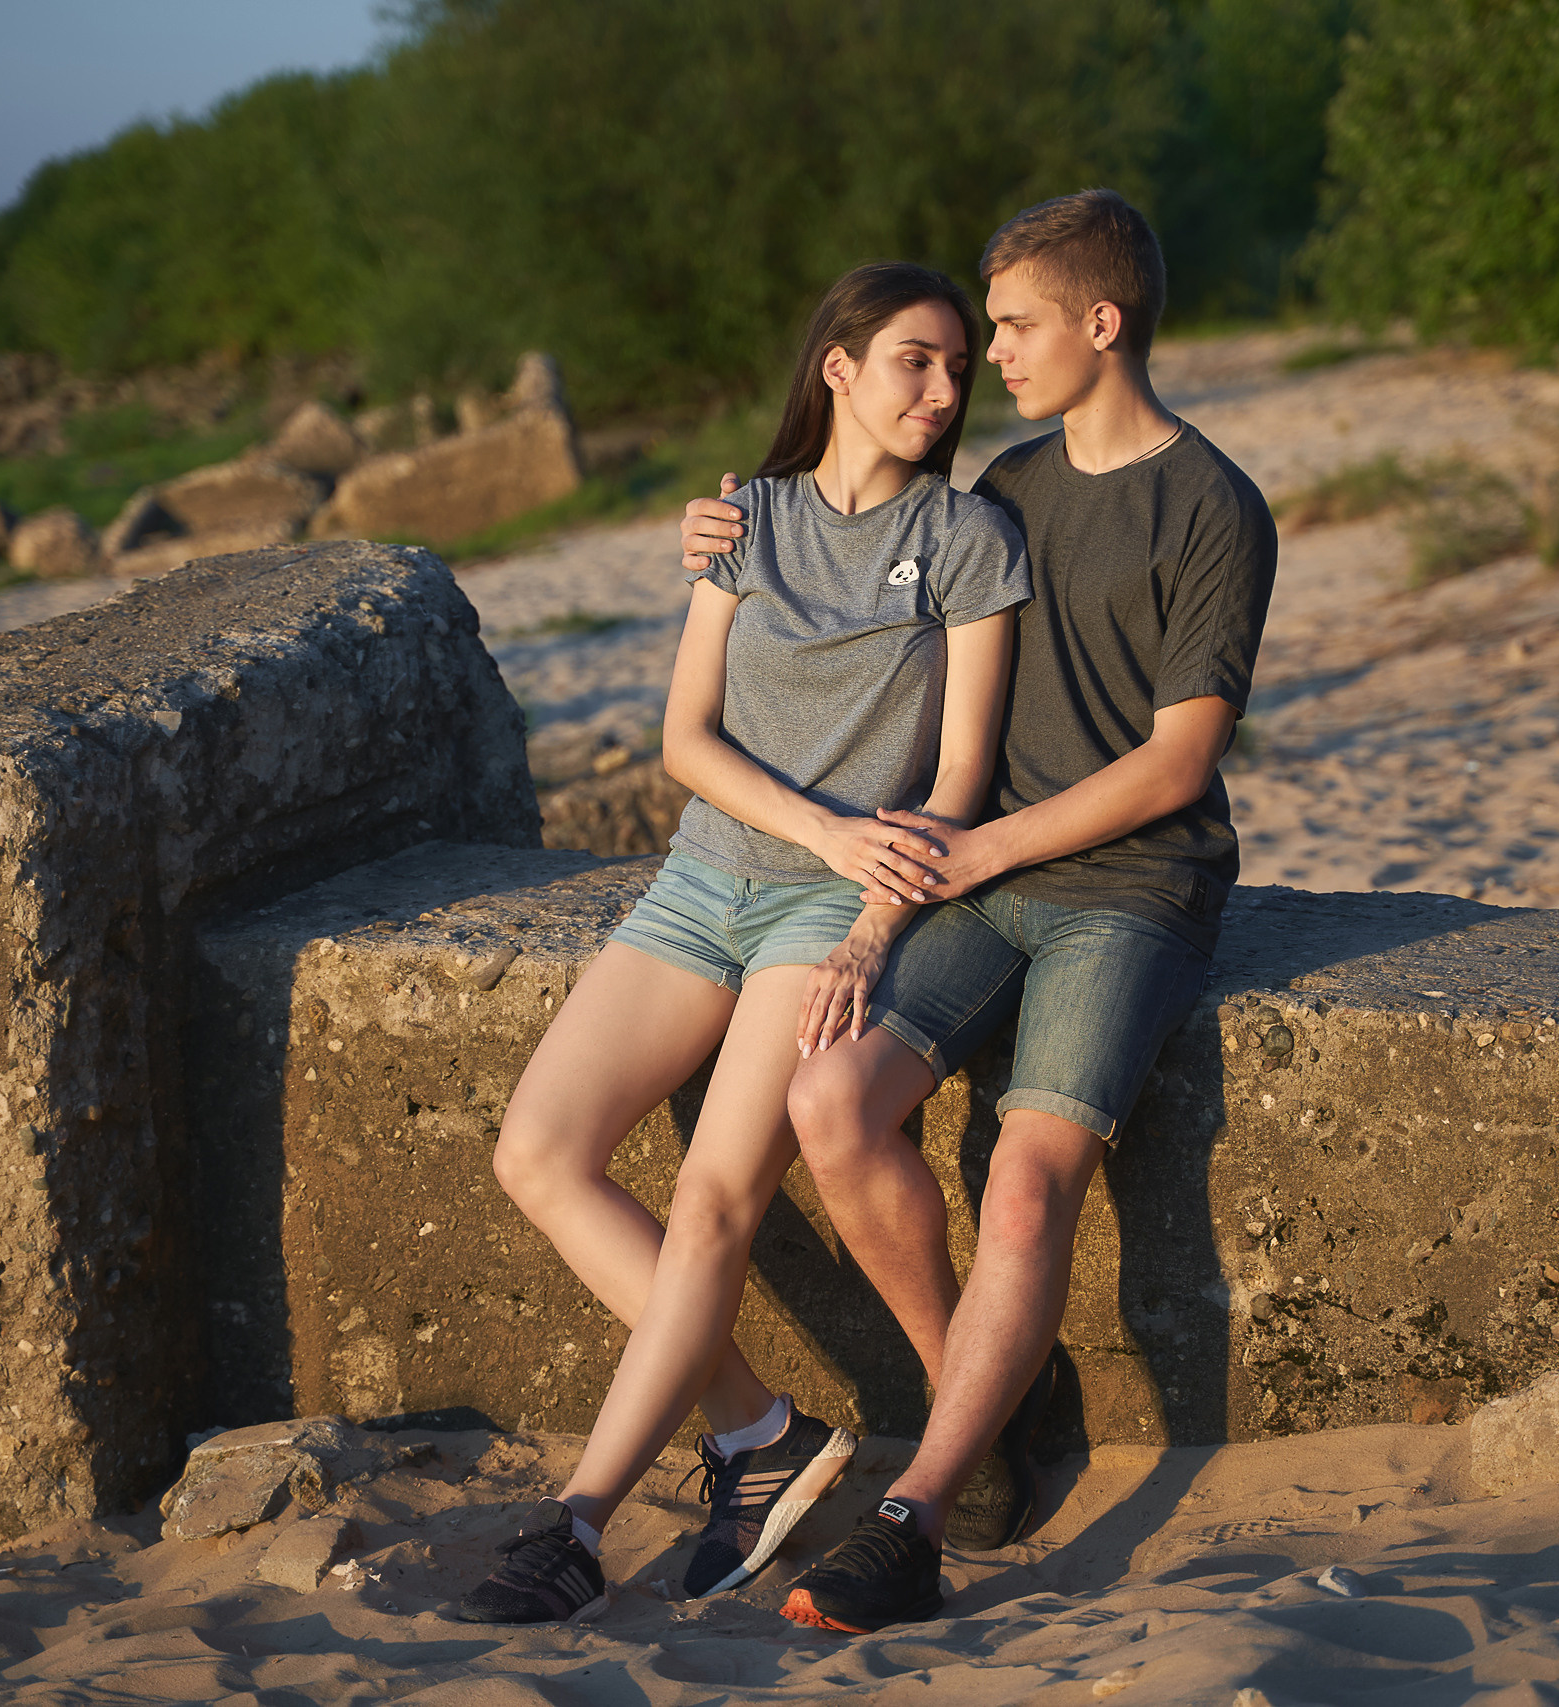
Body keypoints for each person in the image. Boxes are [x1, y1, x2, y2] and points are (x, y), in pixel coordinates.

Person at [679, 189, 1278, 1634]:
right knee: (829, 1104)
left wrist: (982, 848)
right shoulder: (1006, 489)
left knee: (1023, 1179)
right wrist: (728, 529)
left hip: (1130, 893)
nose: (988, 359)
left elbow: (1179, 764)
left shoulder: (1215, 506)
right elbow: (856, 542)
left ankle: (918, 1515)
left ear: (1101, 323)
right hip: (980, 879)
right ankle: (989, 1400)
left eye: (1010, 328)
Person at [454, 261, 1031, 1625]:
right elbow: (684, 739)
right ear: (838, 366)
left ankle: (580, 1521)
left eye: (958, 368)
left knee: (716, 1198)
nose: (944, 391)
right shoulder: (746, 520)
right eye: (915, 360)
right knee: (537, 1151)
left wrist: (868, 918)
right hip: (702, 884)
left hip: (832, 913)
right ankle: (758, 1432)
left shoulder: (967, 539)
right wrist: (822, 825)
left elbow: (959, 779)